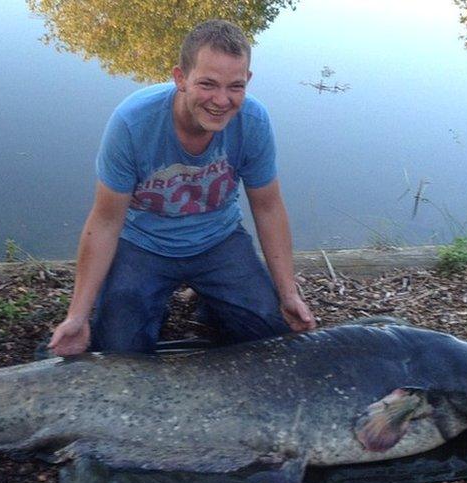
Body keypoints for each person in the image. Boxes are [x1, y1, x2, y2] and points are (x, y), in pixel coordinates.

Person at [49, 19, 315, 356]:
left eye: (235, 86)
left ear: (248, 81)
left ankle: (215, 307)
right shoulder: (132, 123)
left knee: (270, 336)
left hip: (218, 240)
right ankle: (152, 309)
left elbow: (268, 207)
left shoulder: (254, 121)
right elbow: (104, 222)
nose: (221, 100)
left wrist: (288, 293)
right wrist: (77, 315)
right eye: (207, 84)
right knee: (118, 351)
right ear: (180, 79)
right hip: (143, 244)